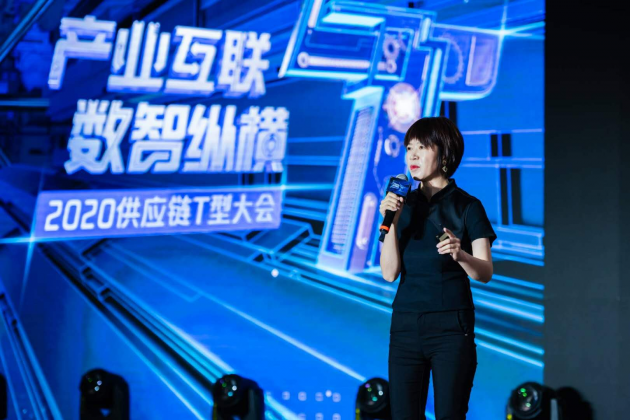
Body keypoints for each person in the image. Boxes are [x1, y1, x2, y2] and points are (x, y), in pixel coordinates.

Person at [379, 116, 496, 420]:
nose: (413, 155)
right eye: (409, 148)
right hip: (405, 326)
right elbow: (389, 273)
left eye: (422, 147)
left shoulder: (468, 206)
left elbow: (485, 272)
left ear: (444, 153)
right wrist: (392, 221)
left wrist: (461, 254)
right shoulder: (401, 204)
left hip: (450, 328)